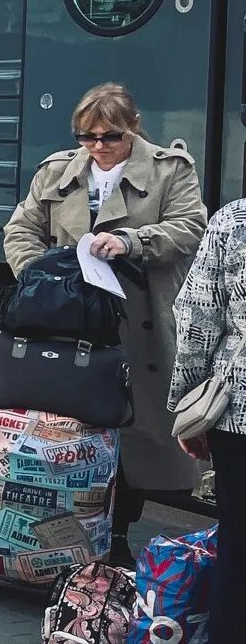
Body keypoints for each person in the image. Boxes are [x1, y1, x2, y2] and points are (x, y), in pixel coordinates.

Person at [3, 83, 207, 567]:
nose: (96, 147)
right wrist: (45, 278)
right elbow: (20, 229)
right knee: (72, 432)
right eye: (86, 137)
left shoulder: (170, 171)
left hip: (138, 328)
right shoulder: (57, 171)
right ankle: (64, 539)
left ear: (133, 128)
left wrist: (132, 242)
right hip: (71, 324)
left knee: (128, 436)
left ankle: (115, 537)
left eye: (108, 137)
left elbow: (189, 228)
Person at [168, 202, 246, 644]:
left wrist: (188, 409)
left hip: (238, 412)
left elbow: (197, 317)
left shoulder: (235, 220)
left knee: (238, 542)